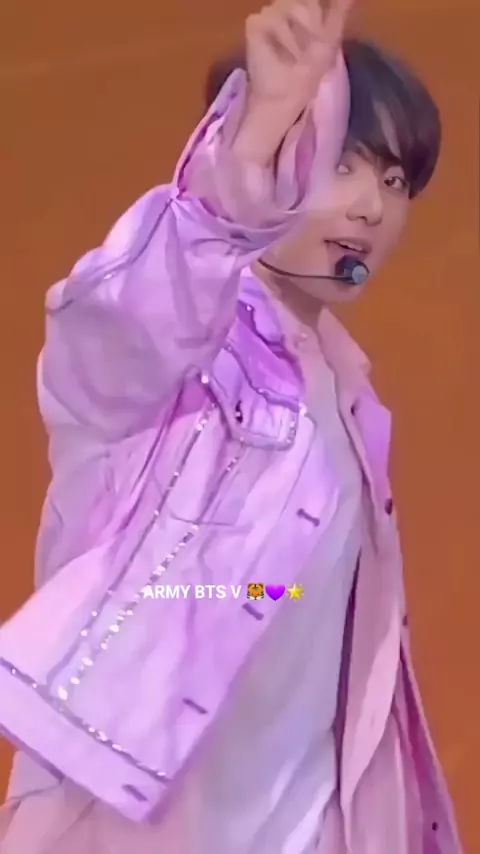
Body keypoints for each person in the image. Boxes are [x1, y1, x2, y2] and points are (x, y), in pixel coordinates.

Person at [0, 0, 463, 851]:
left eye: (395, 181)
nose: (371, 207)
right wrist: (242, 169)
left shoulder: (350, 403)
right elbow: (124, 323)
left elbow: (306, 647)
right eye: (342, 165)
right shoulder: (178, 362)